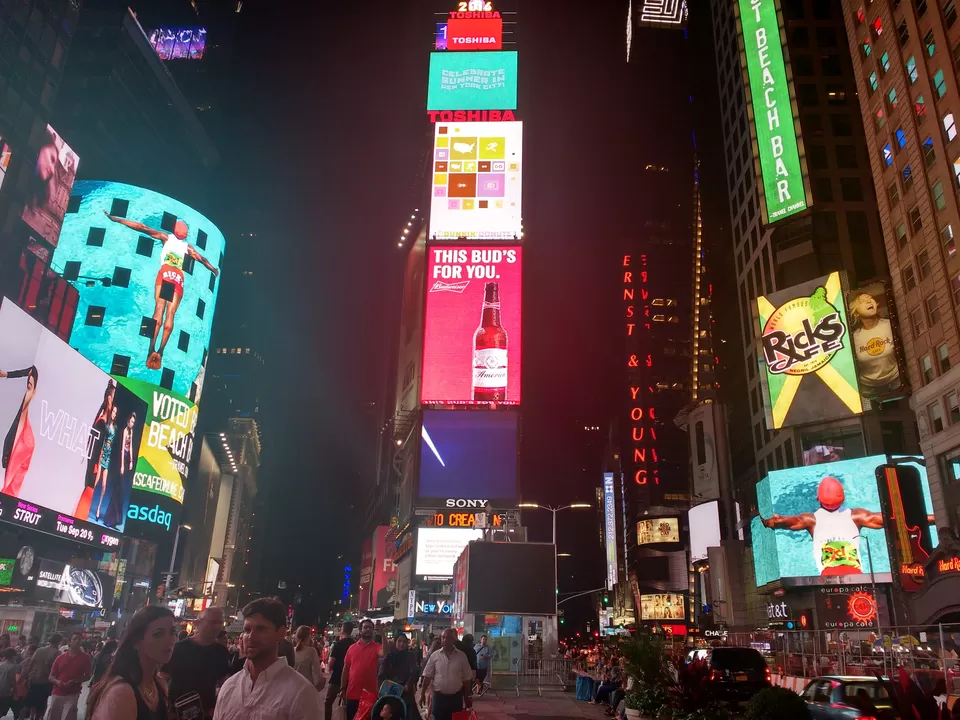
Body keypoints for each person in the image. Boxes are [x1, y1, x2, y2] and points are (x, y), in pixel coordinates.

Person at [103, 210, 220, 370]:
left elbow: (141, 227)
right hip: (178, 277)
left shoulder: (166, 237)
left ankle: (151, 348)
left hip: (165, 274)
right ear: (185, 235)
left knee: (159, 309)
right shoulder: (188, 247)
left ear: (174, 231)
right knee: (170, 314)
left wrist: (115, 219)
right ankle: (162, 351)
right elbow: (203, 260)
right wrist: (214, 269)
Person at [213, 597, 321, 720]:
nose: (251, 637)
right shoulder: (230, 686)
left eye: (260, 629)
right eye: (247, 630)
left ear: (280, 633)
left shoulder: (302, 693)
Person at [761, 475, 886, 575]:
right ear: (843, 498)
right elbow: (885, 518)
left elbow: (780, 522)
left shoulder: (811, 520)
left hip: (827, 577)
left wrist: (768, 521)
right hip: (856, 575)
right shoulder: (857, 516)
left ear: (818, 498)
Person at [86, 605, 176, 720]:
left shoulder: (160, 685)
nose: (170, 640)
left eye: (172, 632)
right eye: (158, 634)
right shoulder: (122, 693)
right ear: (136, 642)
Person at [161, 606, 229, 718]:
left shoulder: (221, 652)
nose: (217, 627)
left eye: (220, 622)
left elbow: (224, 684)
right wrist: (165, 706)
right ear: (198, 623)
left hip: (206, 713)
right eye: (213, 622)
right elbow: (162, 678)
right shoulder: (179, 648)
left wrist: (218, 707)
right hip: (176, 712)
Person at [848, 292, 901, 394]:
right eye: (862, 301)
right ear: (856, 313)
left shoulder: (890, 325)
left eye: (870, 298)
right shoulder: (854, 338)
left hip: (896, 380)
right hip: (868, 388)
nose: (868, 301)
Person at [0, 367, 38, 497]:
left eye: (29, 388)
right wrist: (7, 374)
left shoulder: (28, 442)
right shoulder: (13, 426)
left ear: (34, 392)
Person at [420, 629, 472, 720]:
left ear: (453, 640)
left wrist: (467, 696)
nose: (444, 640)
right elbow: (427, 676)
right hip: (439, 697)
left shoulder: (462, 656)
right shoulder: (435, 656)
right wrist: (422, 693)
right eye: (443, 637)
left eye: (448, 638)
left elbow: (466, 678)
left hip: (456, 698)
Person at [339, 620, 380, 720]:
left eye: (370, 627)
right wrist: (342, 688)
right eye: (365, 627)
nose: (368, 629)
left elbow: (385, 652)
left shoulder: (377, 647)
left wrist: (382, 634)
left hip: (370, 695)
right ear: (360, 631)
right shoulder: (352, 648)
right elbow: (346, 669)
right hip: (352, 693)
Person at [46, 632, 92, 720]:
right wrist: (58, 682)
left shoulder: (86, 658)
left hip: (73, 693)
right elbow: (51, 676)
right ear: (69, 642)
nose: (77, 641)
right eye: (75, 639)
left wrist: (77, 681)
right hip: (57, 692)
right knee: (53, 716)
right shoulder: (60, 658)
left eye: (79, 639)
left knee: (68, 716)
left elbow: (88, 675)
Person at [104, 412, 137, 529]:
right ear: (128, 421)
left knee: (121, 492)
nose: (132, 424)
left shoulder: (131, 431)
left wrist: (132, 461)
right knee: (118, 490)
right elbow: (123, 448)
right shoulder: (124, 431)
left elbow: (130, 446)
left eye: (134, 422)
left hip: (127, 459)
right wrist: (122, 465)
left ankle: (115, 520)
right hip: (121, 460)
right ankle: (110, 519)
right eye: (131, 421)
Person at [378, 634, 420, 720]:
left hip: (406, 692)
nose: (402, 644)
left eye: (404, 642)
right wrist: (383, 686)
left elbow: (414, 672)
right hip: (390, 692)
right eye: (399, 641)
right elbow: (381, 674)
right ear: (395, 642)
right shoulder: (389, 656)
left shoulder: (410, 655)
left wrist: (408, 684)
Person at [24, 634, 61, 720]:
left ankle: (31, 717)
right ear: (59, 642)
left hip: (34, 679)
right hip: (46, 681)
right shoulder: (57, 653)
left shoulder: (39, 650)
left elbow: (31, 663)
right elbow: (56, 669)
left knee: (31, 700)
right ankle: (38, 718)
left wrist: (26, 675)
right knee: (42, 702)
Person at [92, 405, 118, 522]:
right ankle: (89, 501)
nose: (114, 414)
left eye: (115, 413)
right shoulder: (106, 425)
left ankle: (98, 508)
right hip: (103, 452)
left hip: (108, 455)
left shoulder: (115, 427)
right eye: (113, 412)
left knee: (104, 485)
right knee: (96, 481)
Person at [325, 622, 354, 720]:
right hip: (351, 678)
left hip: (337, 677)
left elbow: (331, 662)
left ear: (342, 630)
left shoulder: (337, 644)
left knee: (328, 701)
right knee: (348, 705)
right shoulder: (355, 644)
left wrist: (329, 668)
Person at [0, 648, 18, 718]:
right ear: (13, 656)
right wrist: (15, 693)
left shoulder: (1, 664)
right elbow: (13, 681)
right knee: (3, 711)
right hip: (5, 691)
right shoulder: (12, 667)